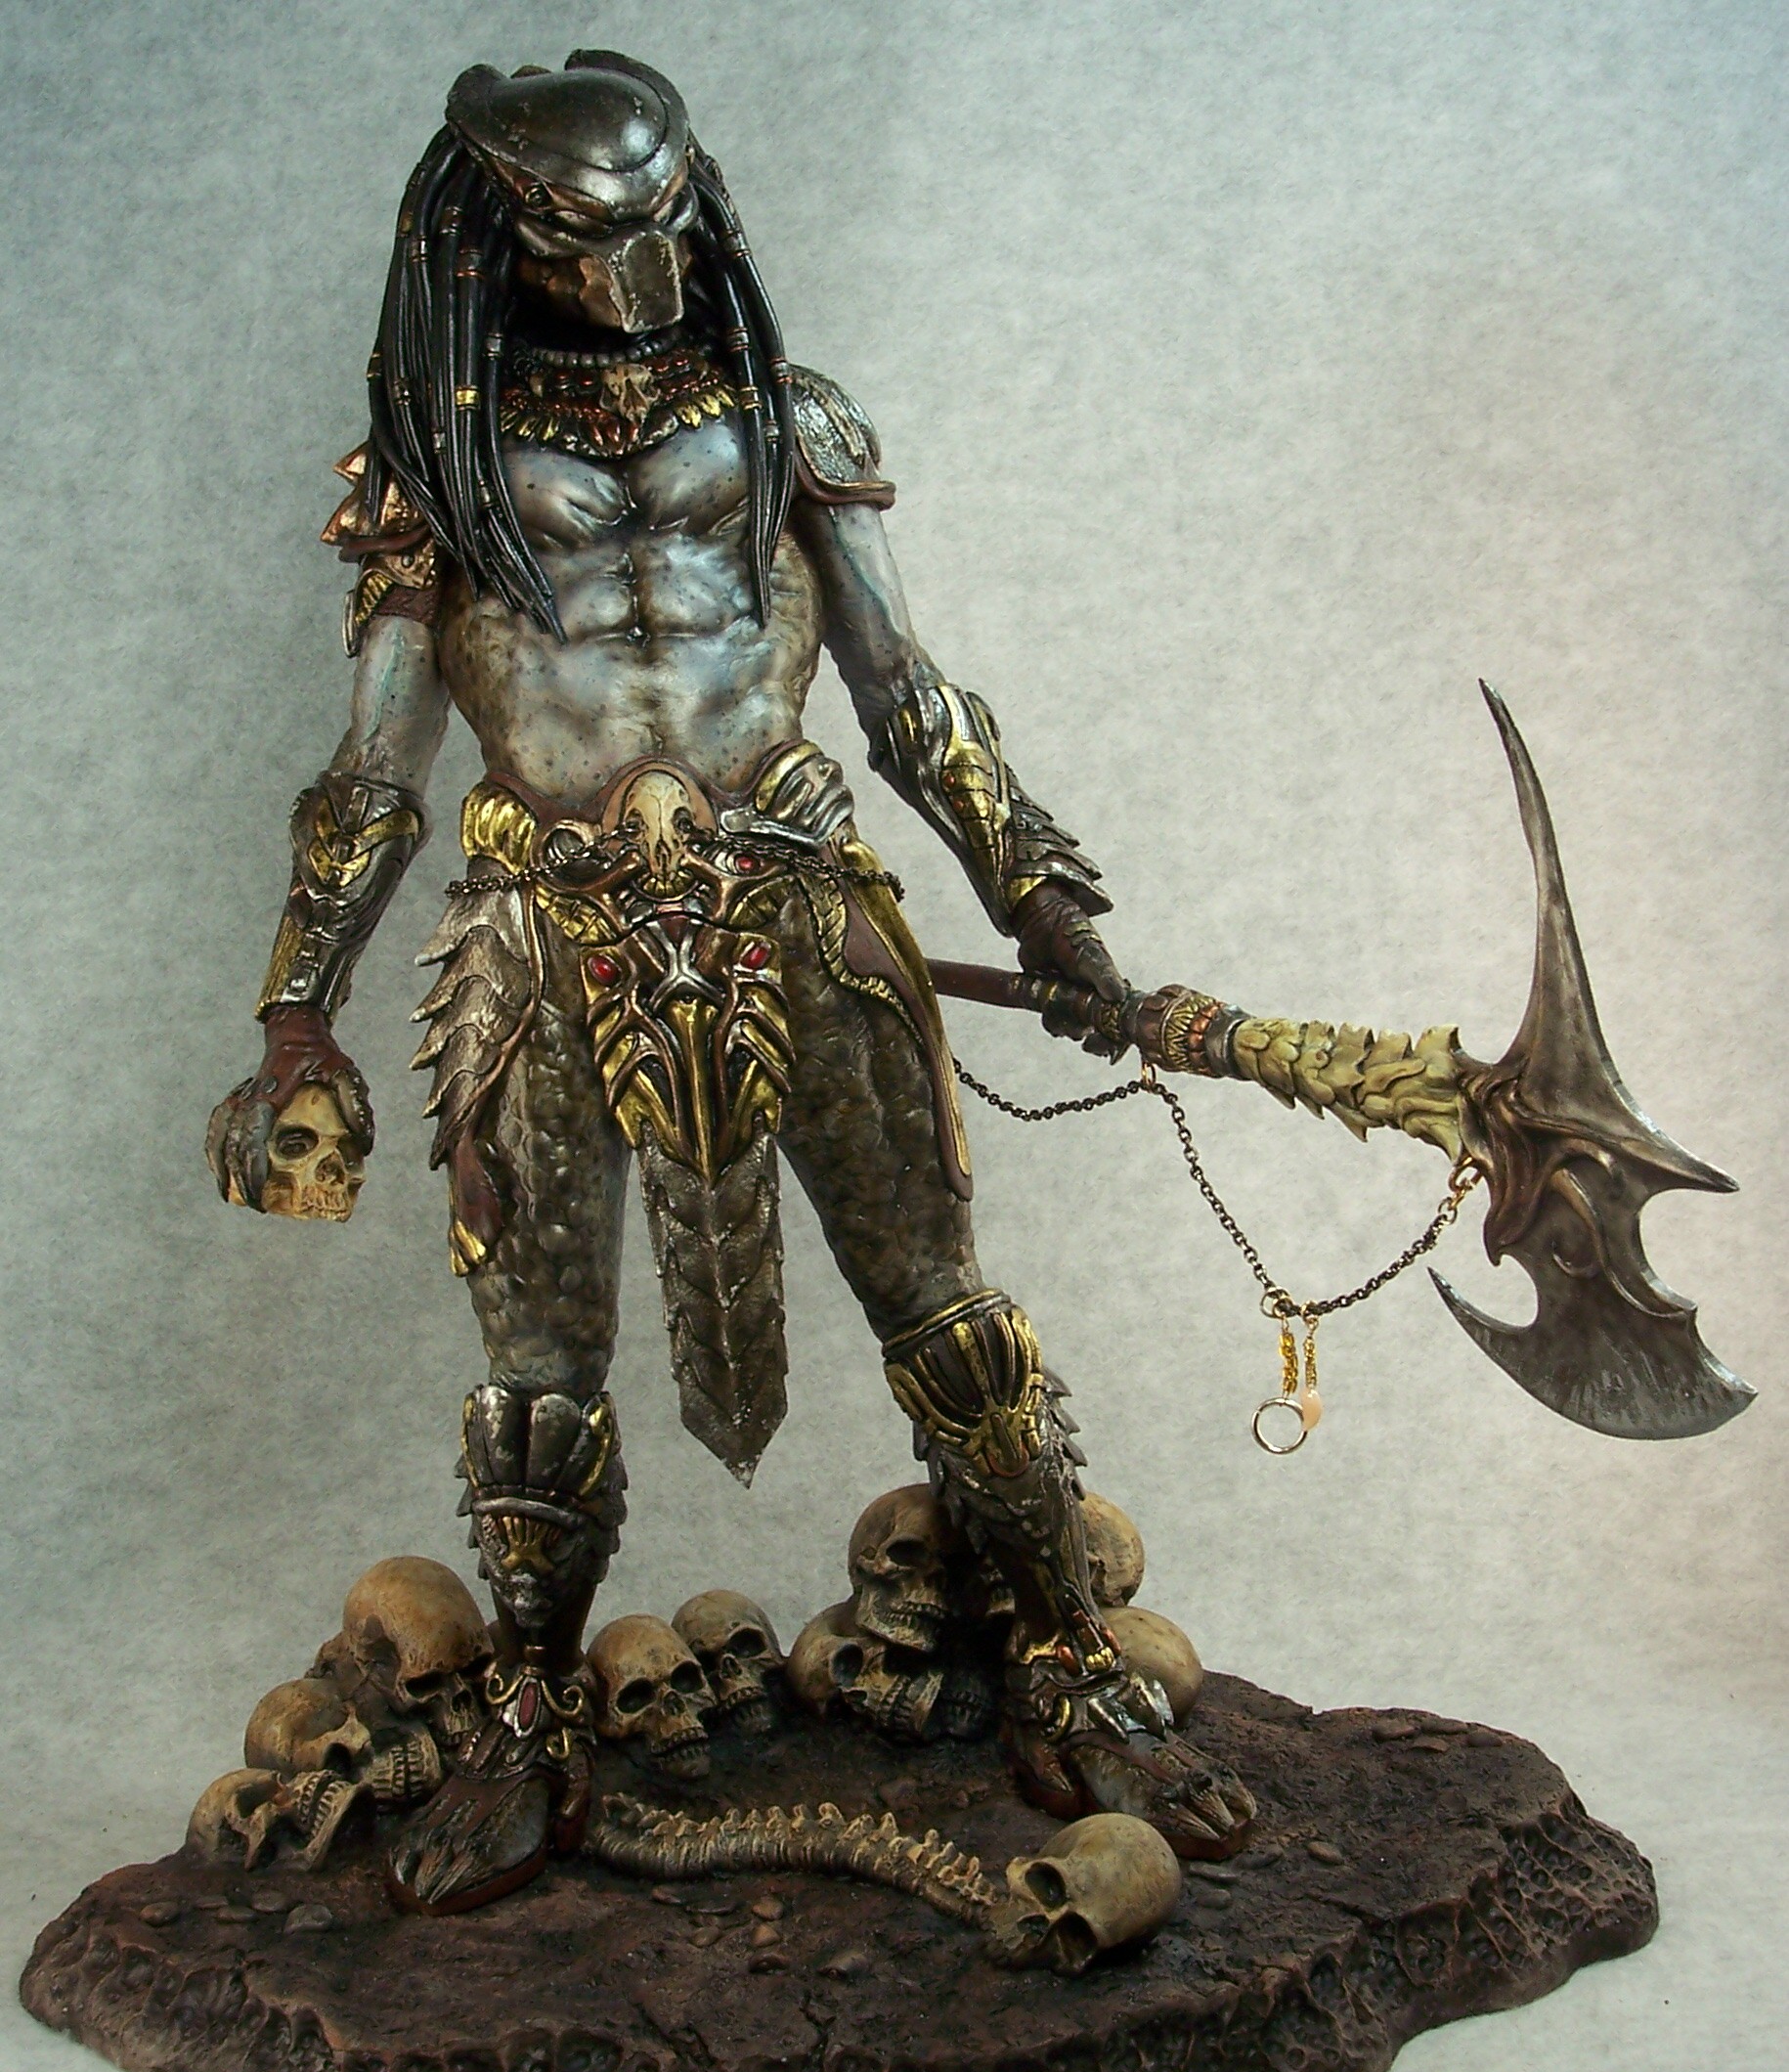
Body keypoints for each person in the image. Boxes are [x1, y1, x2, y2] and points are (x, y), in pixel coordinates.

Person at [207, 51, 1253, 1912]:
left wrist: (1041, 904)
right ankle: (533, 1713)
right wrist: (299, 1012)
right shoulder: (433, 466)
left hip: (799, 901)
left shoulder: (788, 418)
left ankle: (1069, 1658)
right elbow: (375, 769)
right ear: (492, 238)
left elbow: (907, 692)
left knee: (944, 1308)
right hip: (545, 935)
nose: (633, 262)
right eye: (586, 230)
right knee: (537, 1373)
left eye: (661, 214)